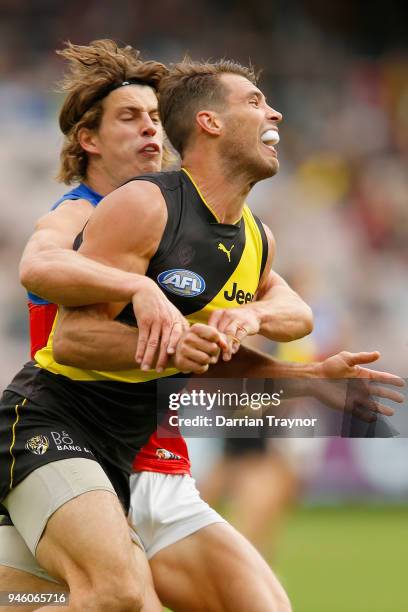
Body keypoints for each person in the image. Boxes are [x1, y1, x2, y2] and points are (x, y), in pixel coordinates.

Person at [0, 44, 402, 612]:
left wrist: (303, 369)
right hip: (62, 425)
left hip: (149, 446)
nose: (151, 131)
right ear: (88, 140)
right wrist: (139, 291)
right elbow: (40, 273)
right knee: (118, 596)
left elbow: (280, 316)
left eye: (157, 119)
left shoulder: (227, 230)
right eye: (131, 118)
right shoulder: (90, 212)